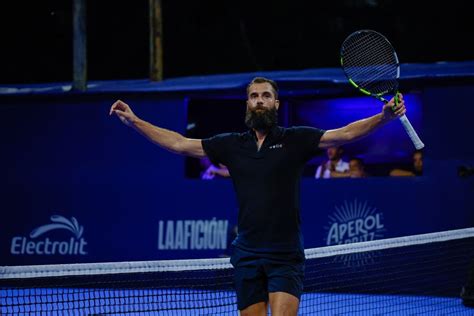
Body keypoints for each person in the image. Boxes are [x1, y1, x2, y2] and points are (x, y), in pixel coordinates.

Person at [110, 77, 407, 315]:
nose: (260, 100)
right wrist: (135, 121)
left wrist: (382, 118)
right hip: (248, 254)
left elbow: (344, 133)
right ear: (248, 103)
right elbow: (178, 143)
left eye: (266, 95)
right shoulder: (230, 145)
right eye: (254, 96)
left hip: (285, 254)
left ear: (275, 103)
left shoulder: (295, 139)